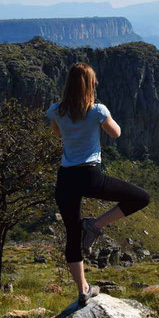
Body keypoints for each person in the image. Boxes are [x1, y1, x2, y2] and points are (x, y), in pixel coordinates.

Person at [46, 62, 150, 305]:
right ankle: (95, 224)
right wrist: (102, 118)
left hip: (66, 178)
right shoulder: (97, 111)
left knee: (72, 235)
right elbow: (116, 133)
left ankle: (83, 290)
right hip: (91, 176)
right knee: (141, 197)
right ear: (89, 85)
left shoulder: (55, 111)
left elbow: (56, 133)